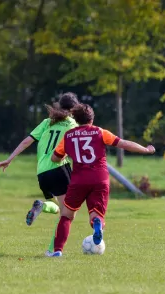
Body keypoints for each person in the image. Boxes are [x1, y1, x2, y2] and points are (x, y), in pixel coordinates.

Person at [48, 103, 155, 257]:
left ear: (76, 120)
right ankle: (97, 224)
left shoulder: (68, 136)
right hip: (100, 178)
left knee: (66, 215)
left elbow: (55, 158)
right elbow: (123, 144)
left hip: (78, 180)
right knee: (96, 213)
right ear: (91, 119)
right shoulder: (100, 132)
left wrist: (66, 153)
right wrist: (145, 149)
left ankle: (57, 251)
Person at [0, 93, 79, 255]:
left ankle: (42, 206)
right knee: (68, 214)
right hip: (59, 169)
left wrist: (9, 159)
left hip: (42, 173)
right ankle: (52, 251)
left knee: (58, 208)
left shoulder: (47, 123)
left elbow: (27, 141)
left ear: (59, 106)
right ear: (74, 110)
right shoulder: (73, 125)